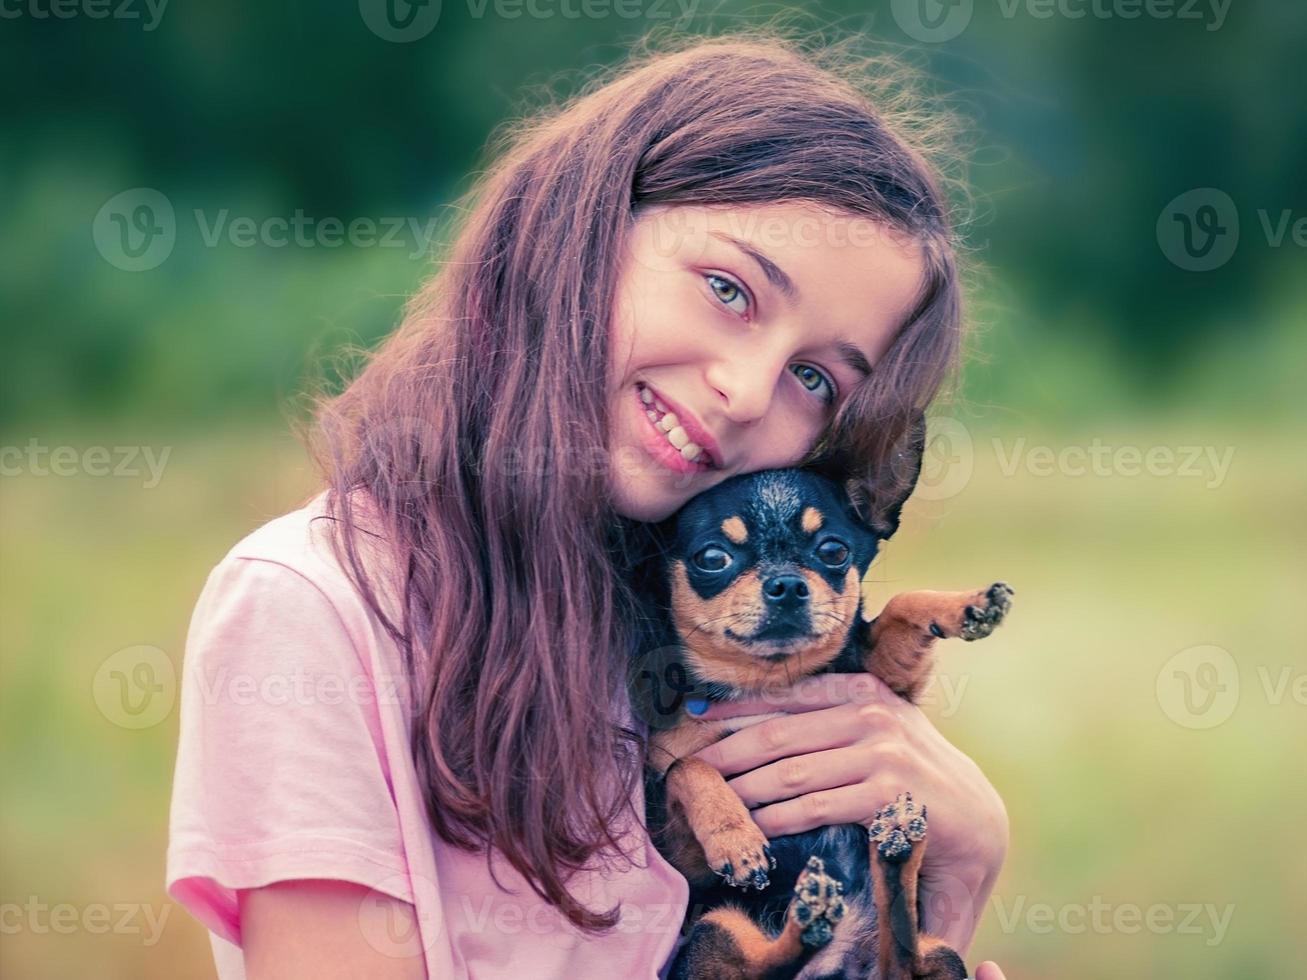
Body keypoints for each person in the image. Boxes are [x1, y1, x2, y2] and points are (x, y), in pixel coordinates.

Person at [165, 27, 1012, 980]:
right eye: (729, 289)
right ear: (585, 223)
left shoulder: (700, 621)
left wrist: (967, 849)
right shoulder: (314, 610)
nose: (744, 389)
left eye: (814, 377)